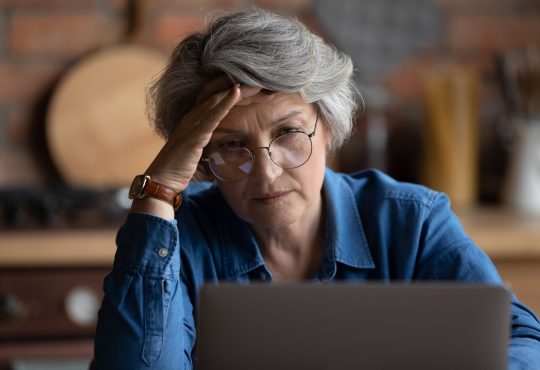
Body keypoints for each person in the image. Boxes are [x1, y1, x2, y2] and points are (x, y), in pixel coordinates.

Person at [93, 8, 540, 369]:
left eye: (288, 133)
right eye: (231, 145)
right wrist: (160, 188)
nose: (265, 174)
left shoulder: (412, 222)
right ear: (201, 157)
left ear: (328, 127)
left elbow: (522, 341)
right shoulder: (175, 237)